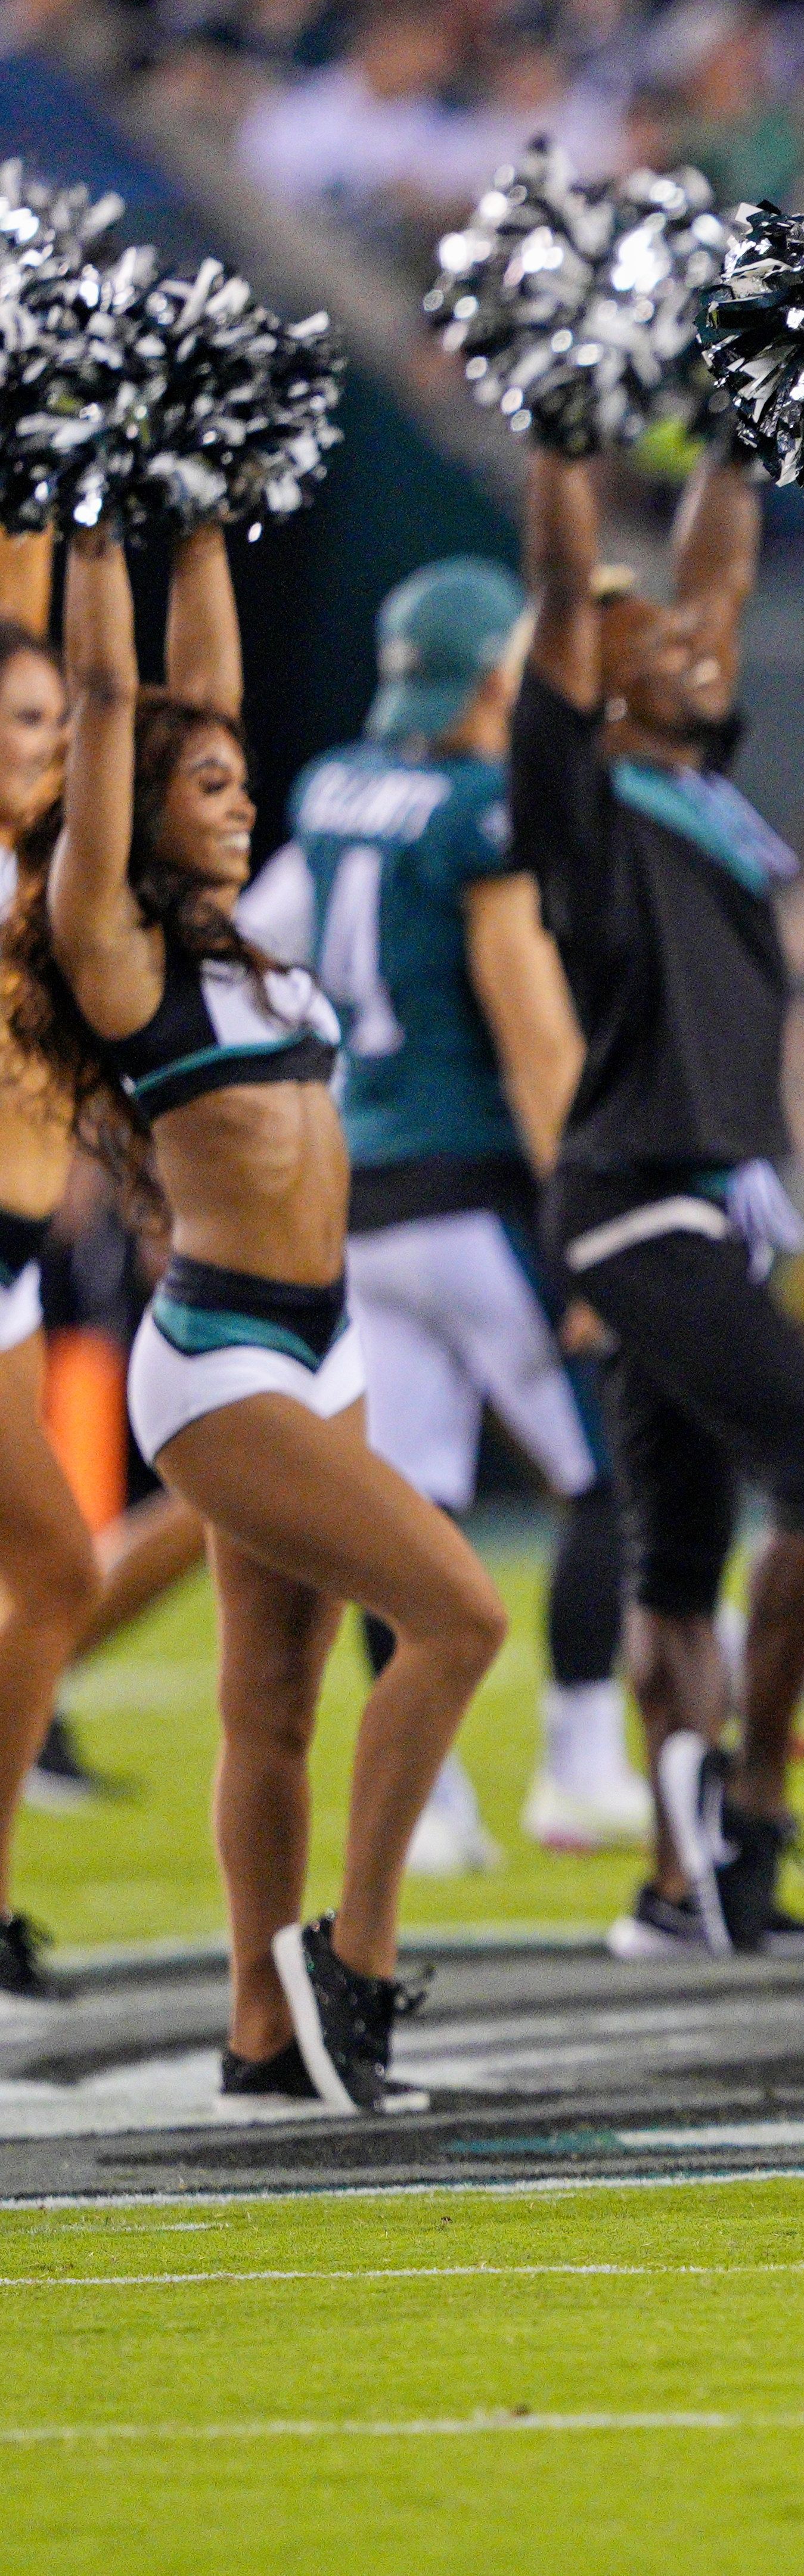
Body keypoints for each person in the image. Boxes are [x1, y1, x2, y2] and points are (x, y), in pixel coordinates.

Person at [5, 520, 510, 2111]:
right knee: (460, 1615)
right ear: (137, 805)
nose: (240, 796)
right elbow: (116, 696)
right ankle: (352, 1959)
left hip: (324, 1338)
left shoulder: (248, 944)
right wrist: (103, 524)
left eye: (240, 780)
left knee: (273, 1705)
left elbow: (199, 691)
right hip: (220, 1356)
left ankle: (261, 2033)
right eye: (208, 784)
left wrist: (210, 508)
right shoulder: (117, 949)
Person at [518, 446, 804, 1959]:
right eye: (644, 638)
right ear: (592, 685)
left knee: (678, 1553)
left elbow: (721, 581)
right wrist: (560, 433)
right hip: (634, 1198)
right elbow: (560, 590)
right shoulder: (584, 801)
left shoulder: (699, 789)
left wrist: (748, 423)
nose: (684, 637)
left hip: (705, 1202)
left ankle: (679, 1888)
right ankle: (754, 1811)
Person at [257, 558, 644, 1874]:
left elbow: (268, 946)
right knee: (609, 1466)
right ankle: (581, 1764)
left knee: (410, 1505)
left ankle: (428, 1803)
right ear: (492, 678)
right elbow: (532, 1036)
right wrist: (582, 1212)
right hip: (471, 1185)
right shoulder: (481, 809)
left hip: (362, 1193)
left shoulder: (333, 788)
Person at [0, 541, 103, 2012]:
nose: (44, 744)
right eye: (23, 723)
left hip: (17, 1270)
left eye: (54, 724)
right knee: (62, 1568)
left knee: (59, 1572)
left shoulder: (48, 866)